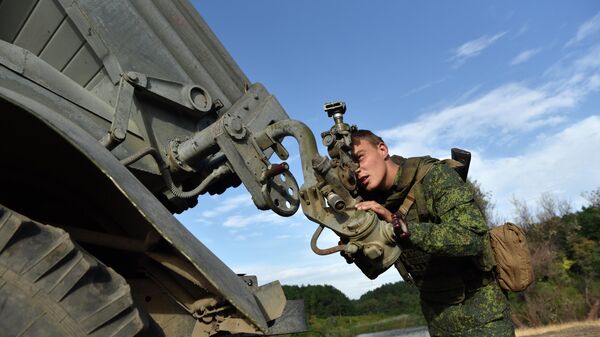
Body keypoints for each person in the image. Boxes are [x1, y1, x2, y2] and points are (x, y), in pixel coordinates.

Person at [350, 129, 515, 337]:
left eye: (359, 158)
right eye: (350, 167)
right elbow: (375, 269)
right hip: (439, 322)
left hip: (484, 319)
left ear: (382, 149)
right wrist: (356, 243)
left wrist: (403, 229)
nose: (356, 170)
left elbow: (472, 237)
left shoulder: (434, 176)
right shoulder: (377, 203)